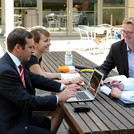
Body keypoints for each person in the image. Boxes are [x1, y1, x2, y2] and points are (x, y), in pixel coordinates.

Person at [0, 27, 80, 134]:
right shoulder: (5, 71)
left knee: (47, 123)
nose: (33, 51)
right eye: (30, 47)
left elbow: (36, 78)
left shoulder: (13, 62)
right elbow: (27, 101)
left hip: (19, 115)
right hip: (11, 124)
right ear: (18, 47)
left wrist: (64, 87)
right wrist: (59, 97)